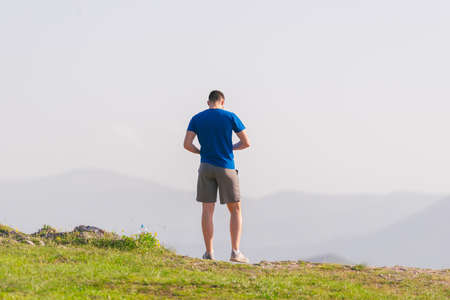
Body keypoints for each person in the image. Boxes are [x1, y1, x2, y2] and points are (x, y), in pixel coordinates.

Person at [183, 90, 251, 263]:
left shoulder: (196, 118)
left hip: (206, 166)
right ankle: (235, 252)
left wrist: (201, 152)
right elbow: (246, 142)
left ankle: (209, 253)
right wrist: (230, 148)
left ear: (208, 102)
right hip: (226, 166)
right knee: (235, 209)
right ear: (223, 101)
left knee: (207, 210)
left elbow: (187, 144)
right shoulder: (230, 116)